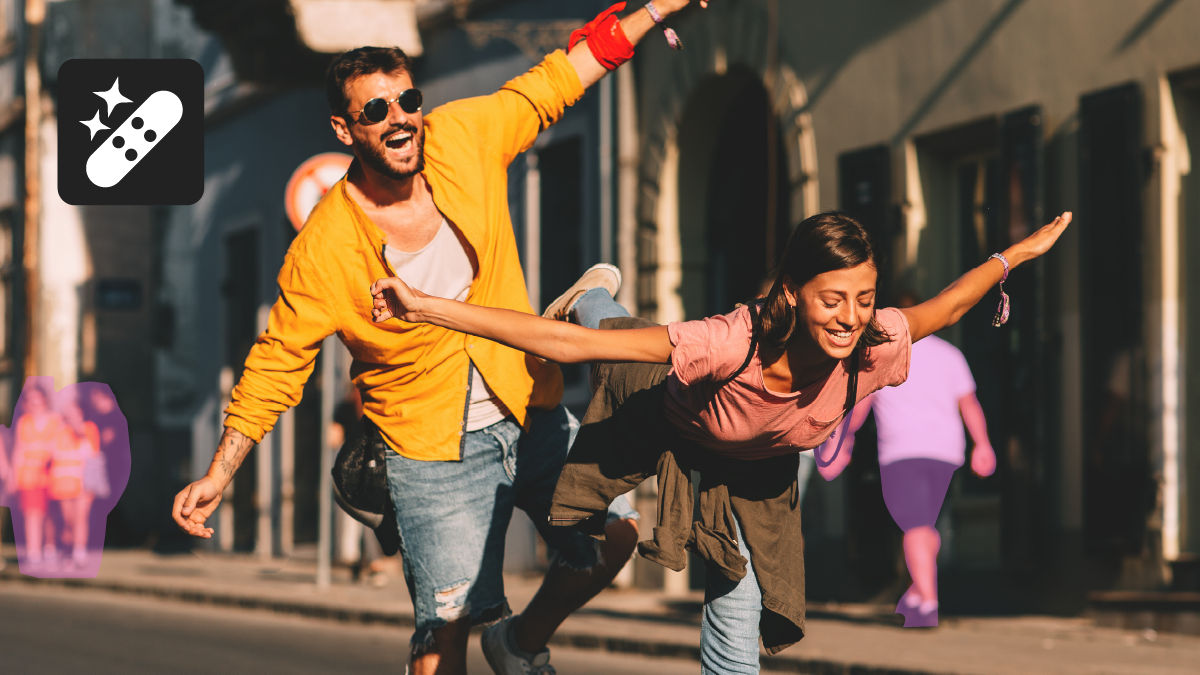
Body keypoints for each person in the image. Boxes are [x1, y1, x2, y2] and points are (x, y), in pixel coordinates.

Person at [171, 3, 713, 673]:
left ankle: (518, 641)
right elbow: (277, 362)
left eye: (407, 100)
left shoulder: (462, 139)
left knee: (616, 534)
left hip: (530, 406)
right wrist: (221, 471)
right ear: (344, 127)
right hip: (430, 449)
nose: (398, 117)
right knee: (441, 633)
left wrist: (654, 8)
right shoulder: (325, 247)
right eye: (375, 110)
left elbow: (555, 80)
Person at [371, 210, 1073, 672]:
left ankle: (516, 645)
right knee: (613, 337)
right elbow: (567, 346)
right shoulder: (730, 341)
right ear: (794, 293)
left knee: (737, 645)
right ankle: (589, 290)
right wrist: (429, 306)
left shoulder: (875, 343)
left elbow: (947, 304)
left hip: (756, 476)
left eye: (864, 299)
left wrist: (1014, 255)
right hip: (669, 421)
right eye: (834, 300)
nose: (851, 318)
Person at [815, 291, 996, 628]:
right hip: (946, 452)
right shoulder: (950, 354)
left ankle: (927, 599)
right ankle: (916, 590)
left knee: (914, 525)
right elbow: (969, 403)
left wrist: (845, 440)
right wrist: (982, 444)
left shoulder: (883, 355)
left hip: (903, 451)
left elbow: (860, 406)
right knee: (927, 526)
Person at [48, 392, 101, 569]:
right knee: (68, 519)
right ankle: (68, 550)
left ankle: (79, 553)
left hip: (83, 482)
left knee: (81, 518)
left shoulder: (89, 429)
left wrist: (79, 432)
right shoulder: (59, 431)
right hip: (63, 482)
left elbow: (92, 453)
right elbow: (52, 453)